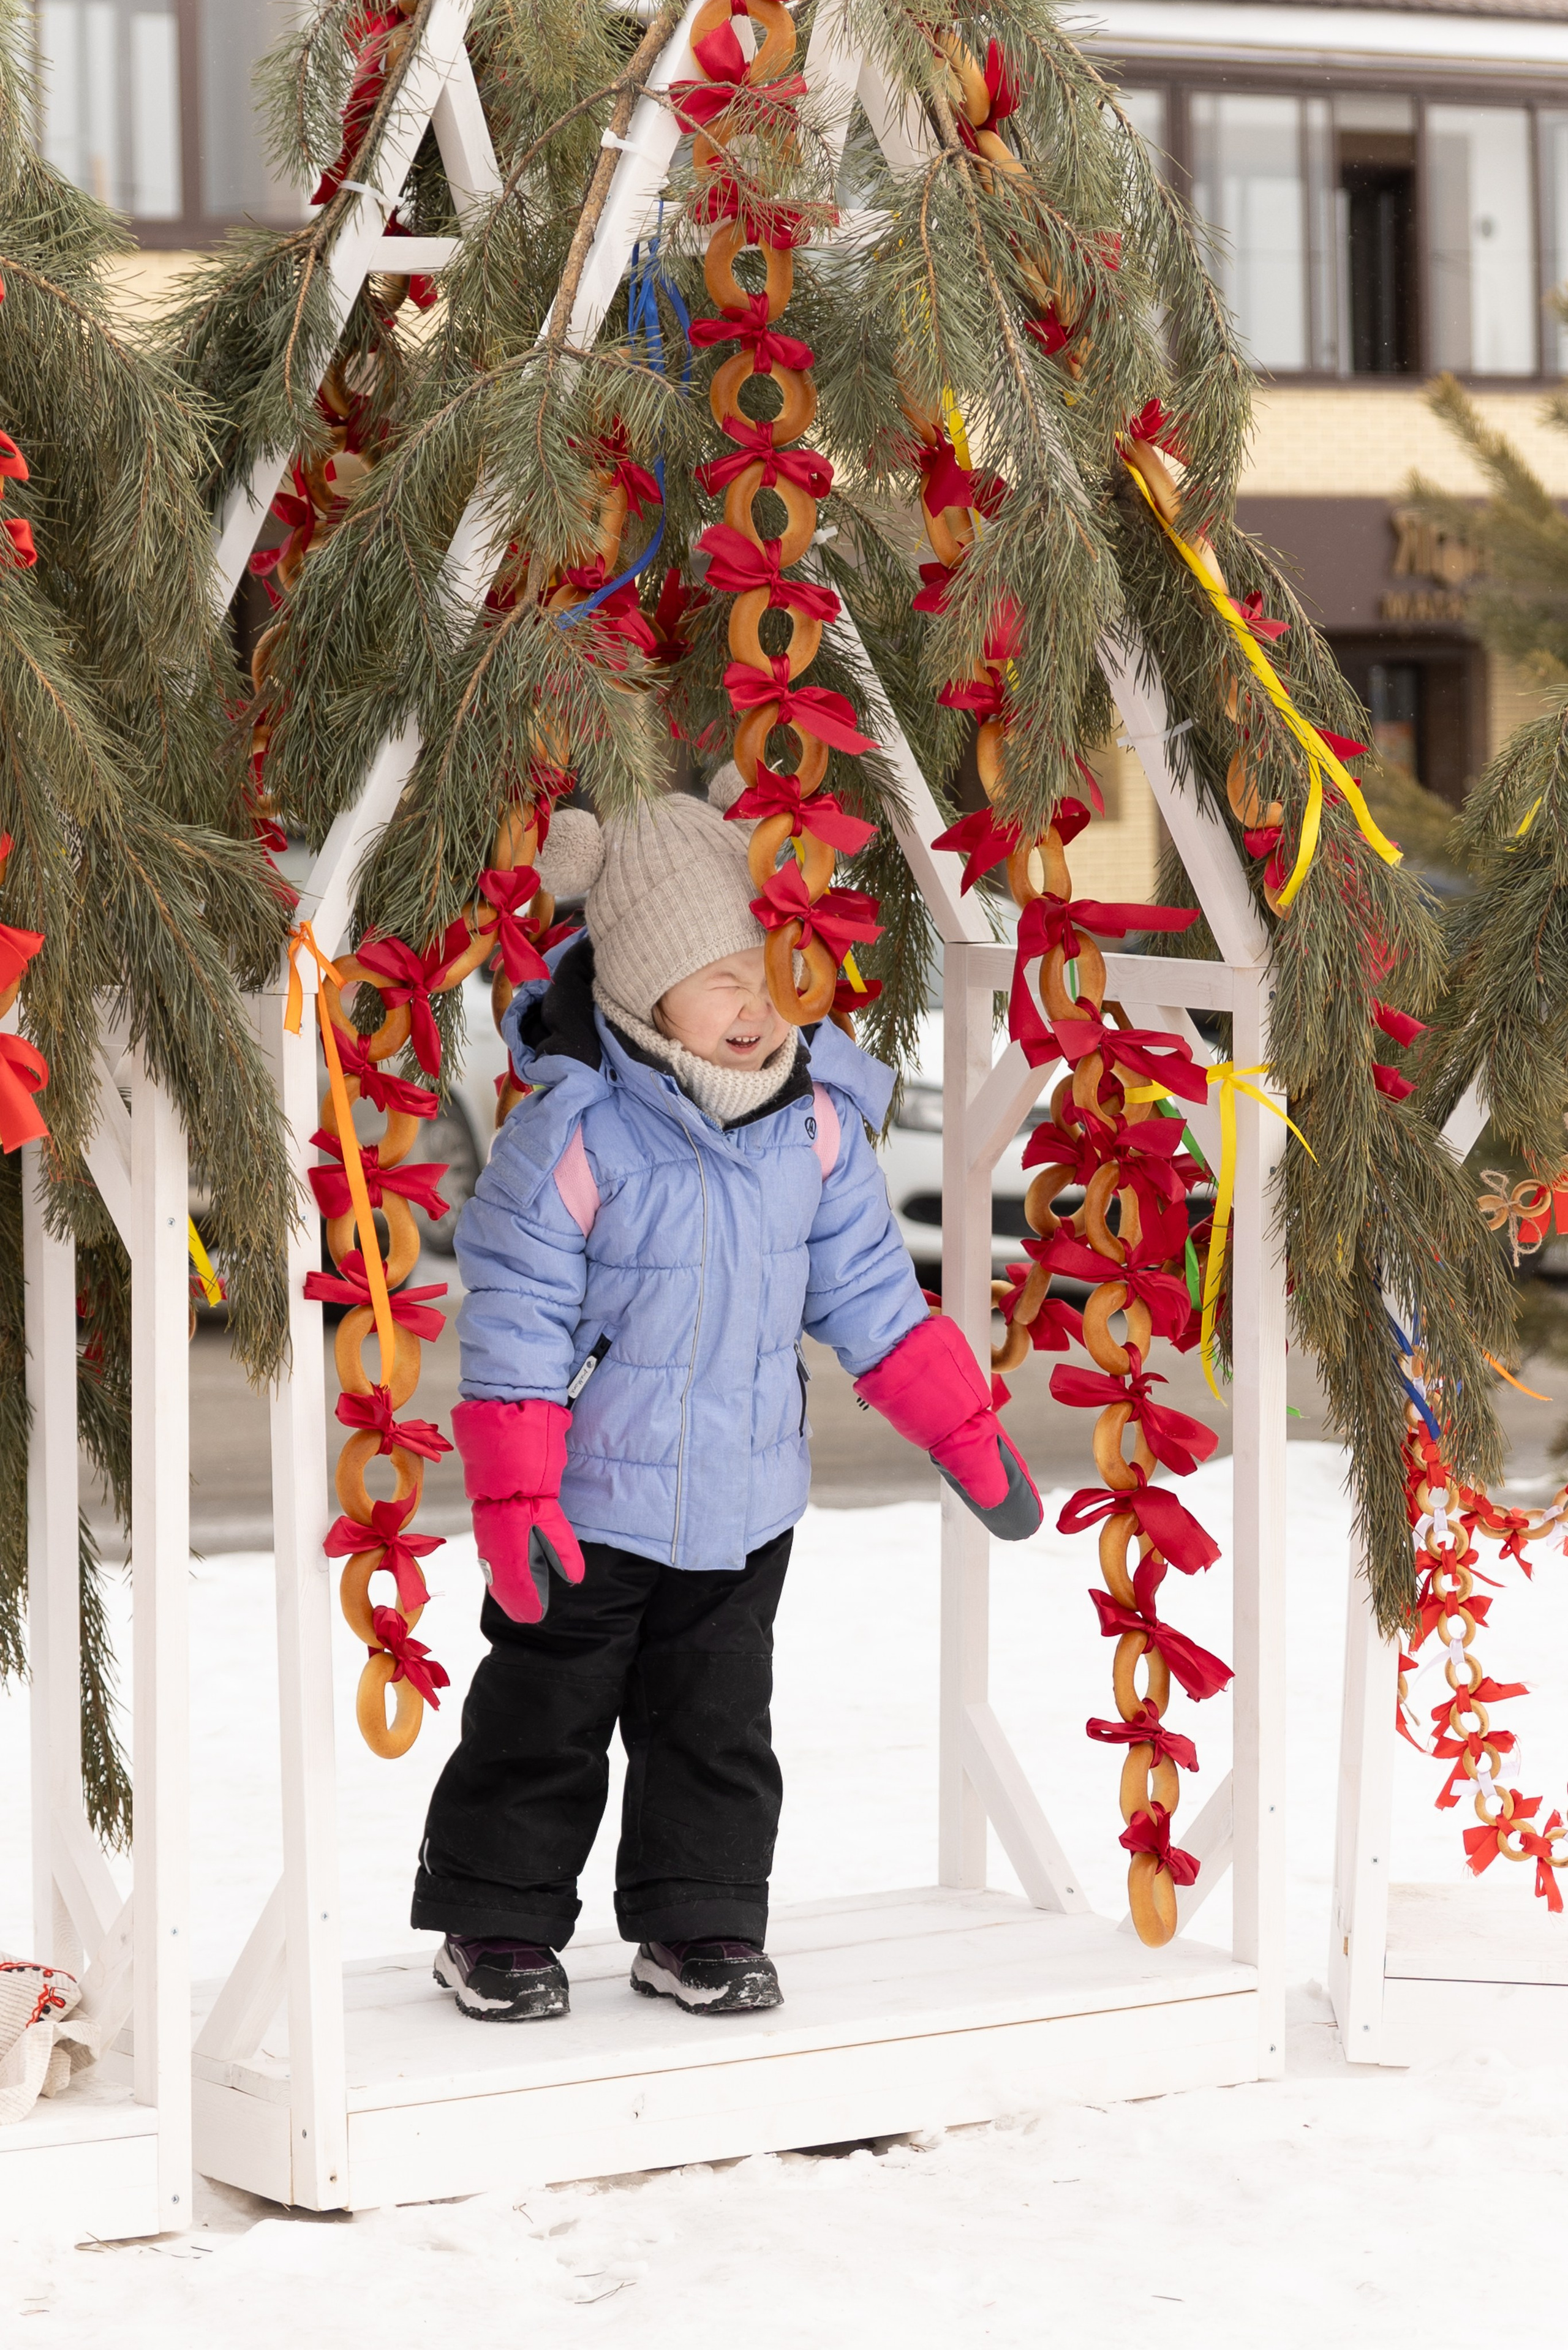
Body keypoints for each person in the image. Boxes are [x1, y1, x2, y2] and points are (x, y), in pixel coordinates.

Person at [413, 770, 1041, 2022]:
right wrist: (515, 1489)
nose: (753, 1004)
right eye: (718, 979)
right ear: (646, 988)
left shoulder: (815, 1129)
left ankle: (697, 1919)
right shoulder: (577, 1135)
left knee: (716, 1723)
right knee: (544, 1714)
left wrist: (962, 1431)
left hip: (745, 1502)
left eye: (765, 973)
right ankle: (496, 1921)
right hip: (586, 1505)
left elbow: (873, 1296)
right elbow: (518, 1319)